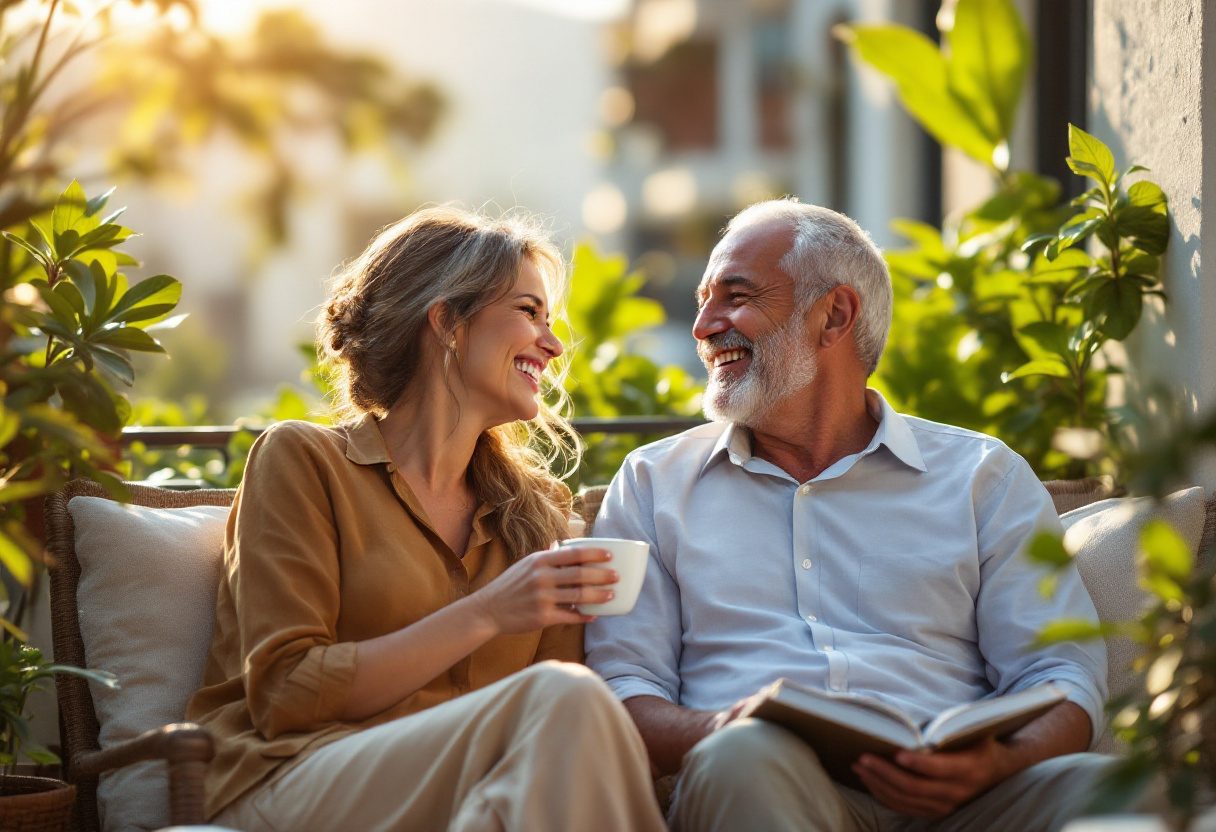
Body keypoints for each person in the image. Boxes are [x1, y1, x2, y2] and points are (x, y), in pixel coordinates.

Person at [584, 198, 1129, 832]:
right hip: (762, 786)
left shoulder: (983, 476)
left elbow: (1059, 672)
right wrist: (720, 727)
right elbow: (623, 684)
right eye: (704, 301)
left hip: (965, 805)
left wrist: (1002, 763)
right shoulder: (653, 484)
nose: (703, 327)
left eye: (736, 296)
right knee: (740, 756)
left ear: (835, 315)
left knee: (1114, 788)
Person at [186, 206, 666, 831]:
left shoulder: (534, 515)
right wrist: (489, 611)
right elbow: (285, 694)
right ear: (446, 322)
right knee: (564, 698)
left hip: (467, 793)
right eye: (528, 312)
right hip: (294, 774)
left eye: (550, 322)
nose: (552, 346)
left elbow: (567, 739)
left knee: (562, 727)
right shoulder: (304, 461)